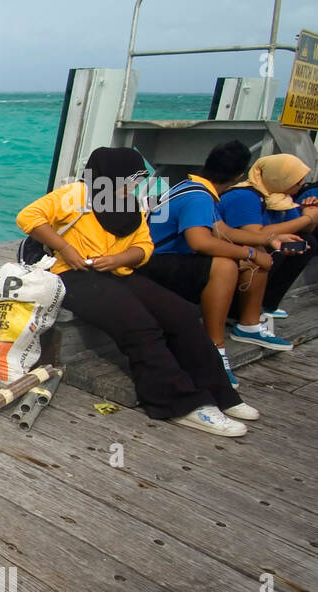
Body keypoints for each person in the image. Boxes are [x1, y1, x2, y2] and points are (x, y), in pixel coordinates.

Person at [16, 146, 256, 437]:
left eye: (137, 178)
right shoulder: (76, 195)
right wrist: (67, 248)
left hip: (117, 271)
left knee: (180, 315)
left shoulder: (133, 203)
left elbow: (144, 246)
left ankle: (219, 392)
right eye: (129, 178)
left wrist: (120, 258)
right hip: (72, 273)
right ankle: (180, 403)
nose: (134, 184)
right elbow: (29, 216)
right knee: (139, 325)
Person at [138, 140, 292, 387]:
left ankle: (249, 326)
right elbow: (200, 242)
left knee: (249, 257)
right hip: (154, 264)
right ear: (240, 175)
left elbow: (221, 232)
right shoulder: (199, 197)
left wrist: (269, 240)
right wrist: (249, 253)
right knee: (225, 264)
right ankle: (214, 350)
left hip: (165, 260)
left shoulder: (193, 187)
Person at [217, 154, 317, 330]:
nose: (301, 186)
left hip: (256, 245)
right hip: (231, 250)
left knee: (307, 242)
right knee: (268, 249)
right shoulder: (245, 196)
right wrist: (306, 219)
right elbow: (255, 234)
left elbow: (303, 230)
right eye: (297, 182)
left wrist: (312, 212)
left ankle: (266, 303)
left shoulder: (280, 198)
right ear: (280, 178)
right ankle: (237, 311)